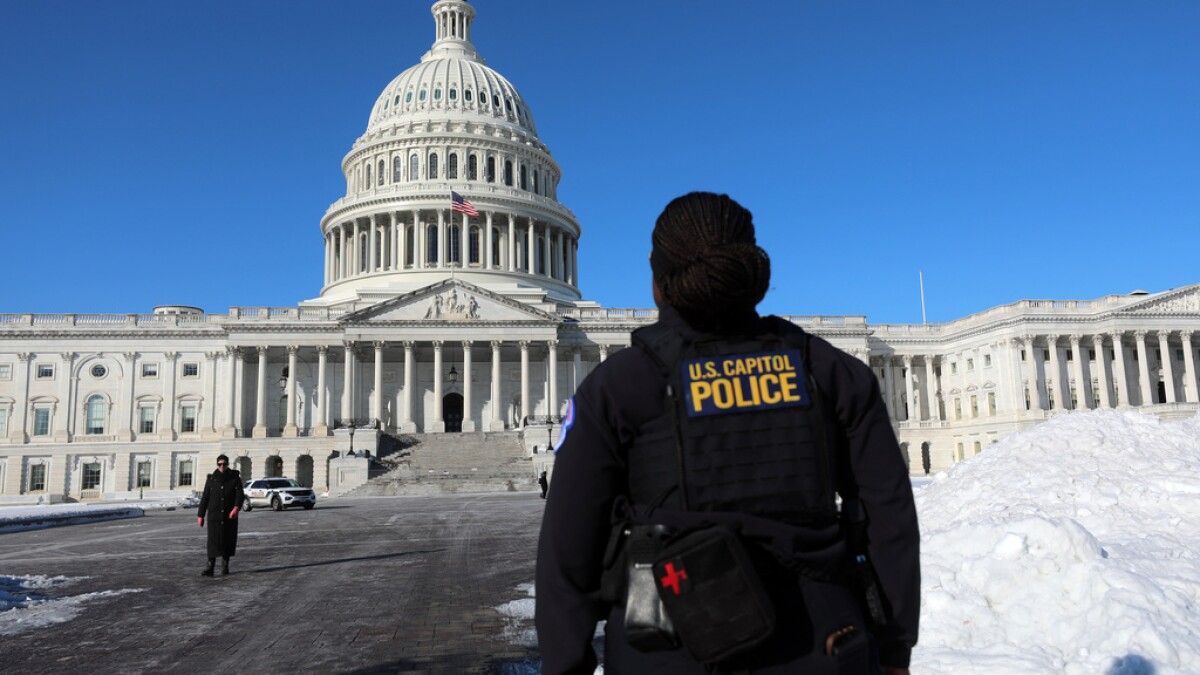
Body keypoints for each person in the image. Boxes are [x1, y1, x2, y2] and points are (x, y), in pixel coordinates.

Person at [535, 192, 919, 674]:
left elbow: (568, 552)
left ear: (657, 277)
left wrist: (565, 665)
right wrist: (895, 648)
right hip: (823, 642)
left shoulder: (616, 387)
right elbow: (889, 520)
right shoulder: (830, 372)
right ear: (750, 267)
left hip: (666, 648)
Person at [197, 454, 244, 577]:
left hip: (229, 516)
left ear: (228, 464)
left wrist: (236, 508)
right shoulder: (211, 479)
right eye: (219, 464)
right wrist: (200, 515)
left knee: (227, 540)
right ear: (217, 465)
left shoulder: (234, 478)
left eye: (224, 464)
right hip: (214, 516)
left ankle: (225, 566)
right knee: (213, 541)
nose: (222, 466)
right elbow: (205, 497)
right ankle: (210, 567)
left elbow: (240, 495)